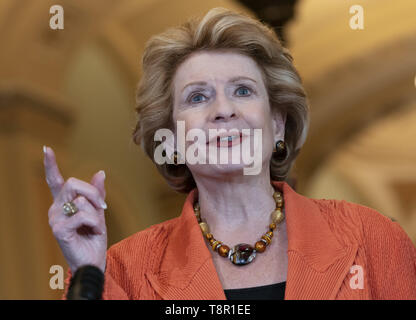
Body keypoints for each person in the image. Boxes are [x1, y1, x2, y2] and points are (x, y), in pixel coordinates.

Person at [43, 7, 416, 300]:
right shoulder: (122, 270)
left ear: (277, 124)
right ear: (171, 138)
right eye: (198, 97)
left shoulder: (372, 238)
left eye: (242, 91)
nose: (223, 109)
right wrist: (89, 270)